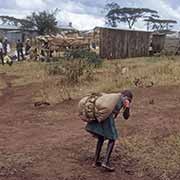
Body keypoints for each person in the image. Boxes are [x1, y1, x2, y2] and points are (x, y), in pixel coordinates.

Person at [86, 90, 133, 172]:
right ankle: (105, 162)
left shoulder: (114, 98)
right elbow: (126, 116)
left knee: (101, 137)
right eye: (129, 100)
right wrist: (127, 106)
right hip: (107, 117)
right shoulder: (122, 100)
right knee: (113, 138)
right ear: (127, 97)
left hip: (101, 115)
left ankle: (95, 161)